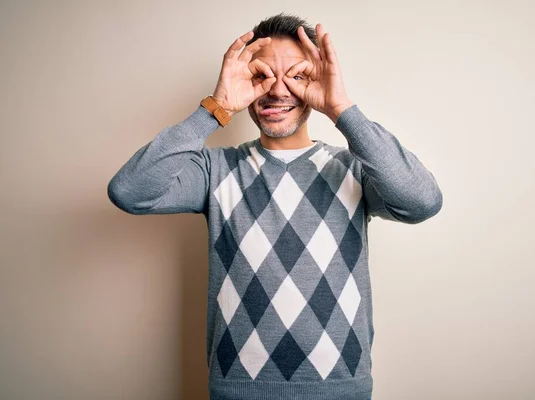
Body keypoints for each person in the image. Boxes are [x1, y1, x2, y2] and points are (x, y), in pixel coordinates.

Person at [107, 13, 442, 400]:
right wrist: (214, 108)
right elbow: (129, 191)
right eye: (261, 75)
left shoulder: (356, 168)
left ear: (318, 81)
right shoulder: (214, 169)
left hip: (341, 388)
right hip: (238, 389)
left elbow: (422, 201)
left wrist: (340, 109)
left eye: (297, 76)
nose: (277, 90)